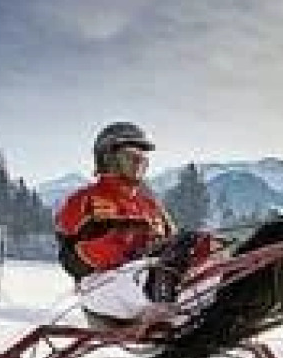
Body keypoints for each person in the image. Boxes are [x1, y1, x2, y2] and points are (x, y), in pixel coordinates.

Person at [54, 121, 211, 328]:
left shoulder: (150, 205)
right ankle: (161, 302)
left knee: (195, 250)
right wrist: (128, 246)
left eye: (143, 157)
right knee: (153, 269)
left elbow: (173, 245)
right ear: (108, 158)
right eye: (130, 155)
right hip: (102, 286)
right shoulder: (84, 200)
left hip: (151, 279)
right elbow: (70, 256)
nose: (139, 162)